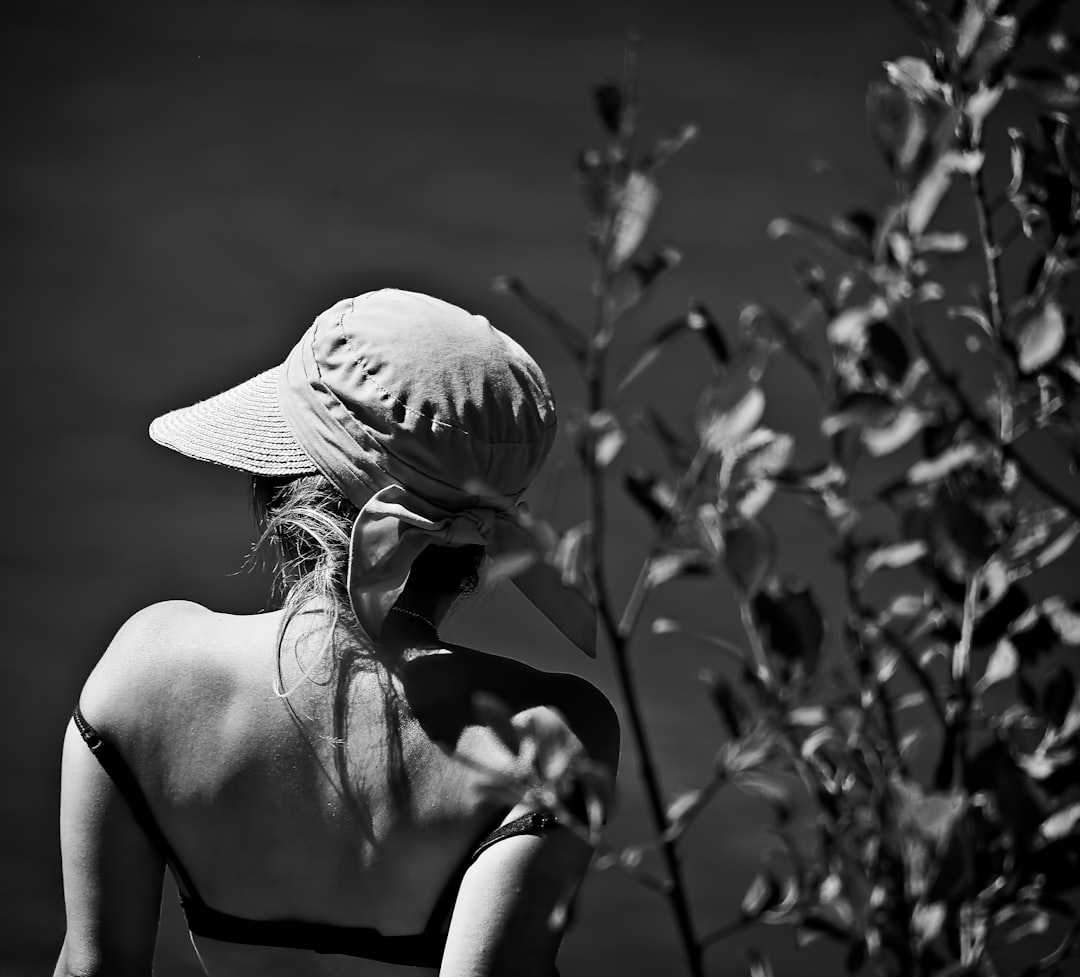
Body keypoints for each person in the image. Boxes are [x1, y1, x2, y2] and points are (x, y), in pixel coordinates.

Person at [54, 288, 620, 977]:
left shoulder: (144, 673)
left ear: (281, 489)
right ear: (482, 549)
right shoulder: (548, 738)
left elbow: (93, 968)